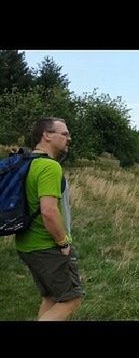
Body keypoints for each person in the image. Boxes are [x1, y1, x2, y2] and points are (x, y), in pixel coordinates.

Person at [15, 117, 85, 321]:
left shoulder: (26, 161)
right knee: (71, 299)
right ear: (46, 135)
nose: (68, 138)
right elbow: (48, 211)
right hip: (46, 246)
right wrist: (63, 243)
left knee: (51, 297)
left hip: (26, 244)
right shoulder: (49, 166)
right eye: (64, 134)